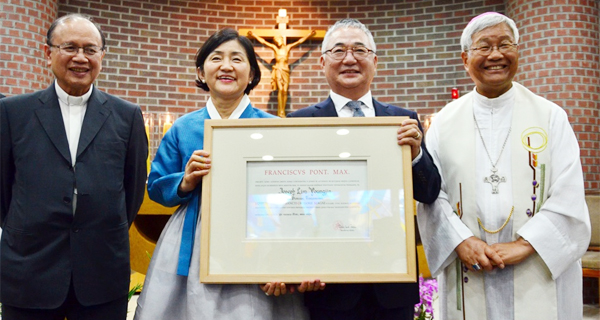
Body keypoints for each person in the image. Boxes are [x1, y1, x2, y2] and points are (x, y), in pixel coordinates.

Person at [134, 28, 322, 320]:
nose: (226, 66)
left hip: (261, 234)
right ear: (201, 71)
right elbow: (156, 187)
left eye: (237, 59)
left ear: (252, 75)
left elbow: (295, 193)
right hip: (194, 239)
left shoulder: (274, 127)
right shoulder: (184, 127)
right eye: (216, 58)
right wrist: (184, 181)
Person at [417, 12, 591, 320]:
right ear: (465, 58)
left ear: (518, 52)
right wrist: (461, 241)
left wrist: (527, 245)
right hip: (469, 262)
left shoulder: (550, 117)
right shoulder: (444, 122)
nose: (496, 54)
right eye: (484, 46)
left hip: (537, 262)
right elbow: (433, 195)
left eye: (505, 44)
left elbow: (569, 192)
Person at [287, 18, 442, 320]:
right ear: (322, 61)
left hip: (391, 282)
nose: (349, 58)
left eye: (359, 50)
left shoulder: (403, 119)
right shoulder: (300, 122)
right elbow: (292, 202)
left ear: (374, 61)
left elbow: (429, 191)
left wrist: (415, 154)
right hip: (327, 283)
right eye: (339, 50)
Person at [0, 13, 148, 319]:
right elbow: (3, 189)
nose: (80, 57)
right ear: (48, 52)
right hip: (30, 271)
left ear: (102, 56)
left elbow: (131, 192)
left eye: (90, 49)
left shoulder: (127, 116)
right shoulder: (12, 113)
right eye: (70, 47)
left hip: (101, 273)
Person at [247, 30, 315, 118]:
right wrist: (254, 35)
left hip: (285, 70)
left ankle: (282, 108)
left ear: (281, 40)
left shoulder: (288, 48)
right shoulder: (275, 49)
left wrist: (309, 34)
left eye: (278, 40)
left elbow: (299, 41)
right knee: (280, 89)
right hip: (278, 70)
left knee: (285, 90)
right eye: (275, 41)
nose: (276, 42)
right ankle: (281, 111)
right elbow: (264, 42)